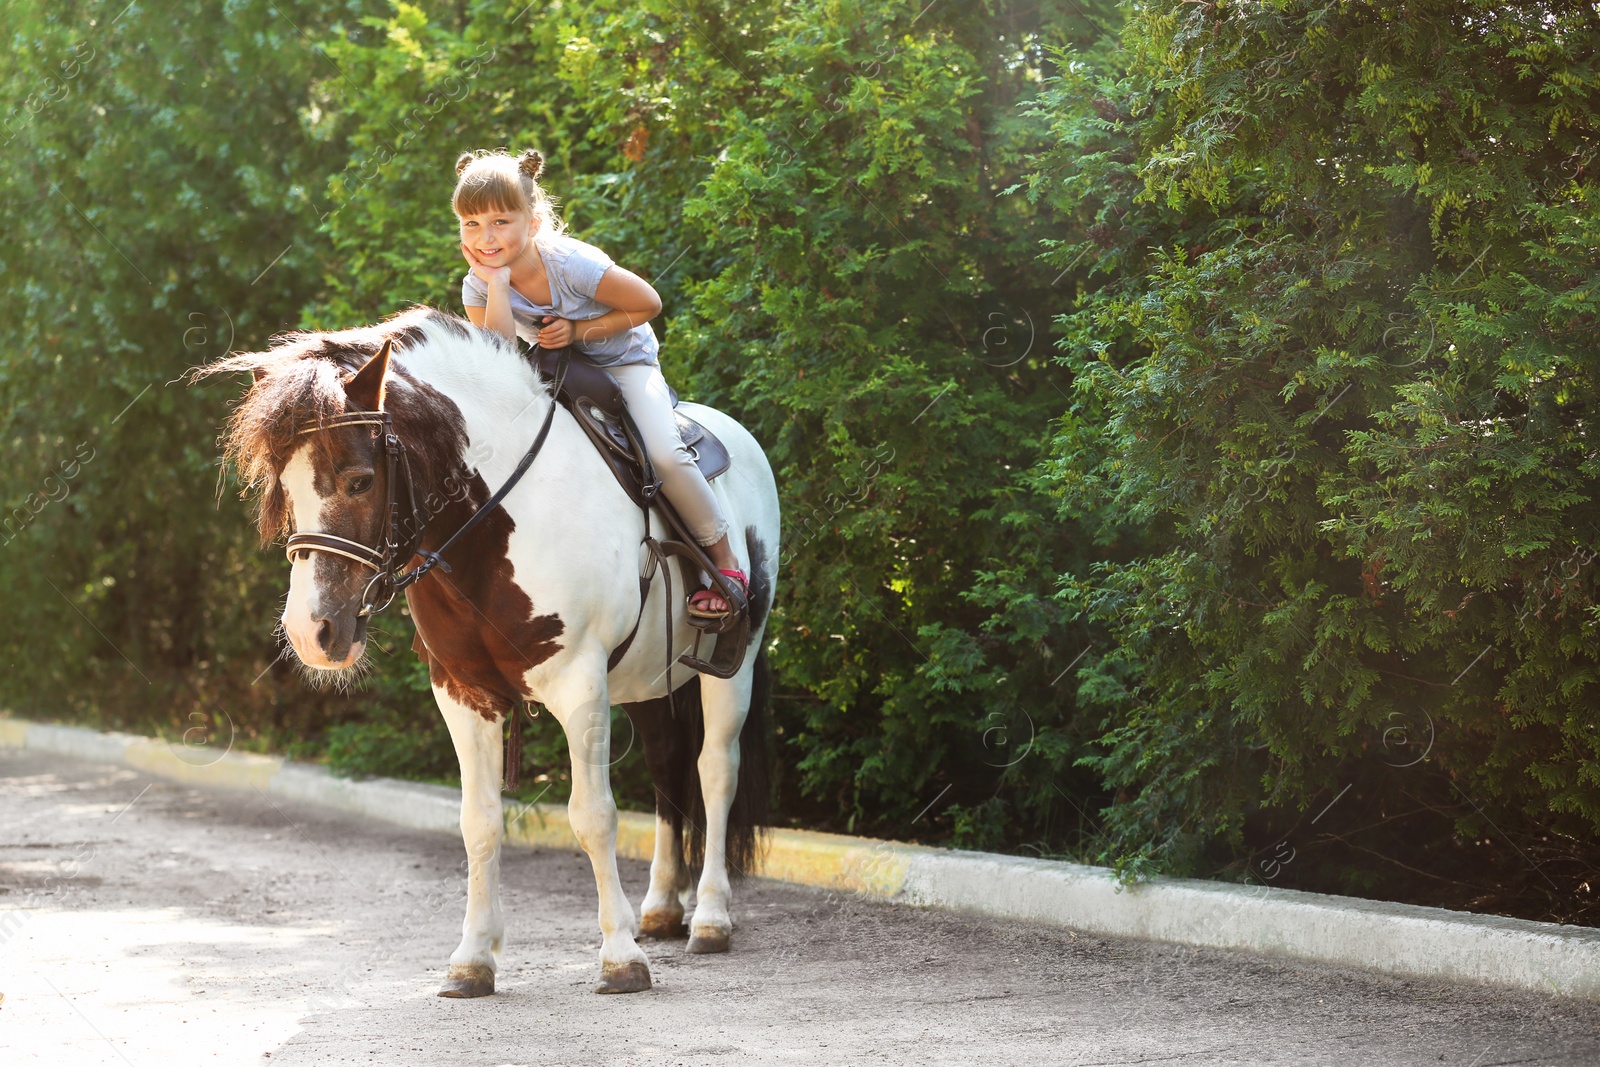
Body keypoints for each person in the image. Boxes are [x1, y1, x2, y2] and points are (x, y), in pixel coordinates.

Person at [453, 147, 744, 621]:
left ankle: (725, 562)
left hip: (624, 364)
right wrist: (498, 284)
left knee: (665, 454)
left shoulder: (572, 264)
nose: (486, 237)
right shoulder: (478, 284)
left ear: (533, 221)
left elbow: (648, 303)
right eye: (471, 224)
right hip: (555, 369)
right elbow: (500, 354)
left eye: (500, 221)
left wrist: (578, 331)